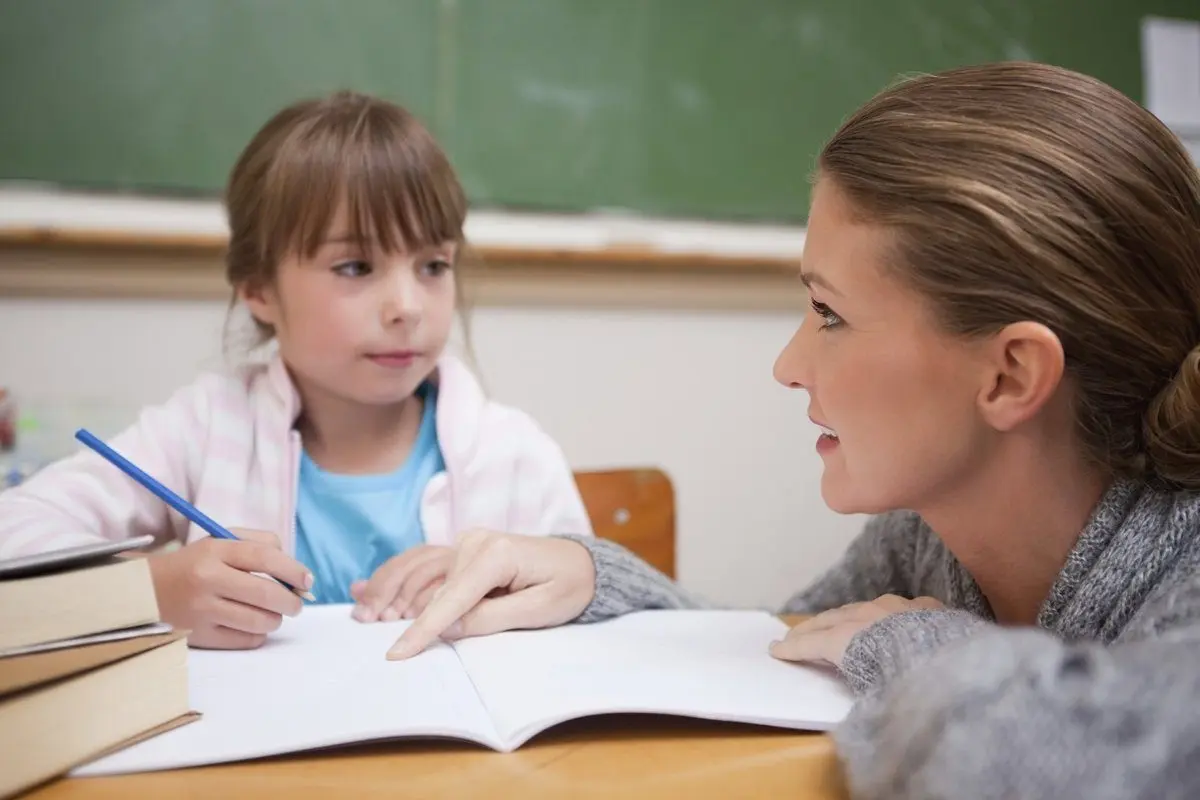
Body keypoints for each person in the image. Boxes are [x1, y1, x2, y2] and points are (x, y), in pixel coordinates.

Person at [386, 62, 1200, 799]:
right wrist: (593, 581)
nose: (787, 364)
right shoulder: (928, 534)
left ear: (1011, 375)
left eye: (829, 314)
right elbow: (790, 647)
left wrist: (921, 642)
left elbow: (1032, 766)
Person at [0, 91, 593, 650]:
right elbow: (14, 530)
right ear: (258, 289)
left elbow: (626, 619)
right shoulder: (206, 427)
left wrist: (581, 572)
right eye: (357, 266)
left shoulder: (511, 452)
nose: (408, 307)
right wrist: (152, 589)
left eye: (433, 264)